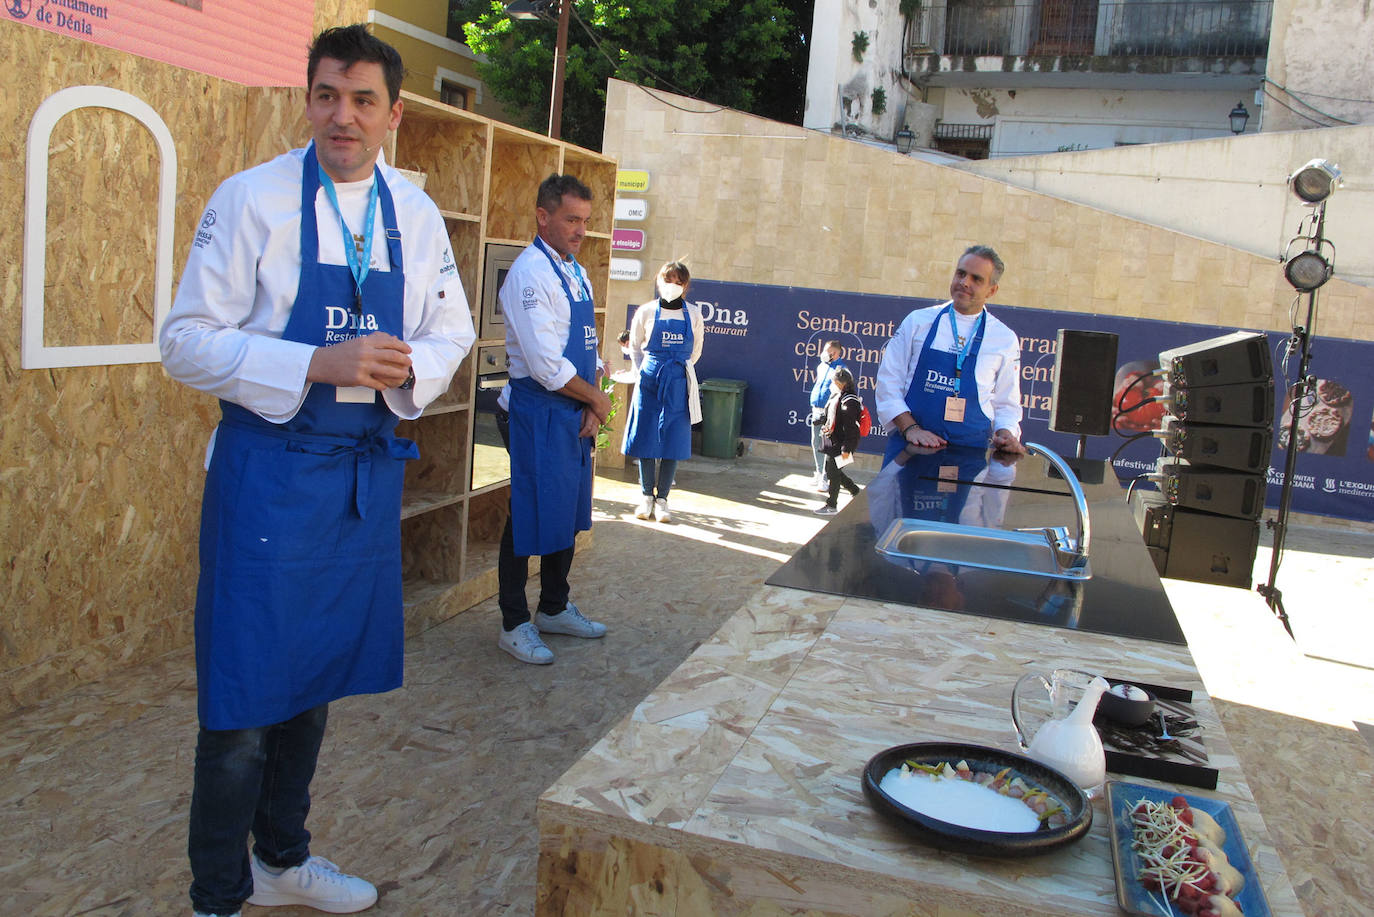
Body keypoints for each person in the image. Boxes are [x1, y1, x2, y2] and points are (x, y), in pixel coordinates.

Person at [158, 25, 476, 917]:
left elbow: (451, 329)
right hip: (265, 478)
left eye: (363, 99)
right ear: (307, 100)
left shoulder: (412, 214)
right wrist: (314, 363)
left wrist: (412, 366)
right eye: (328, 95)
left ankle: (282, 857)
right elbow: (183, 341)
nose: (344, 115)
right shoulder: (251, 199)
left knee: (313, 680)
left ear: (394, 114)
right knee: (241, 697)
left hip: (354, 483)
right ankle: (217, 892)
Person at [494, 174, 611, 665]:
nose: (581, 230)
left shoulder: (574, 271)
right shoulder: (529, 274)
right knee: (529, 513)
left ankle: (554, 607)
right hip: (535, 412)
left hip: (572, 410)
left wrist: (590, 401)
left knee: (564, 511)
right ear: (543, 217)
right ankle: (514, 622)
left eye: (585, 221)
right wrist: (598, 403)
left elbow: (589, 349)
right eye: (571, 219)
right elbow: (545, 366)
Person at [875, 245, 1025, 465]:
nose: (965, 282)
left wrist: (1006, 433)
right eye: (961, 273)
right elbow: (888, 383)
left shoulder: (1004, 338)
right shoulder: (918, 321)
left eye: (976, 279)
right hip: (911, 450)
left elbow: (1006, 404)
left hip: (968, 457)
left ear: (991, 291)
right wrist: (911, 428)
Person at [622, 260, 705, 523]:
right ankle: (646, 497)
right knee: (647, 439)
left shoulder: (693, 314)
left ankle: (663, 501)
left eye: (678, 282)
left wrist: (676, 370)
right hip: (649, 381)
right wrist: (641, 372)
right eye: (667, 281)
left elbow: (696, 351)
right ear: (659, 281)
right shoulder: (645, 312)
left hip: (678, 382)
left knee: (673, 442)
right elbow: (635, 347)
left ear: (686, 286)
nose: (672, 286)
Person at [814, 367, 864, 515]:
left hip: (845, 445)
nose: (831, 384)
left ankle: (831, 506)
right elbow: (833, 416)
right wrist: (821, 419)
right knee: (833, 472)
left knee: (833, 472)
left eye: (833, 382)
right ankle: (856, 491)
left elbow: (851, 429)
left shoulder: (850, 401)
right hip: (834, 443)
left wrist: (846, 450)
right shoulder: (837, 396)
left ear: (841, 383)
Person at [807, 340, 848, 491]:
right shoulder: (821, 366)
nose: (825, 353)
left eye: (829, 351)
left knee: (827, 446)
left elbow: (841, 392)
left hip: (829, 411)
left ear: (837, 353)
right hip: (816, 407)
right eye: (824, 350)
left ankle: (825, 478)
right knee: (815, 441)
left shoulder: (841, 370)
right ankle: (818, 473)